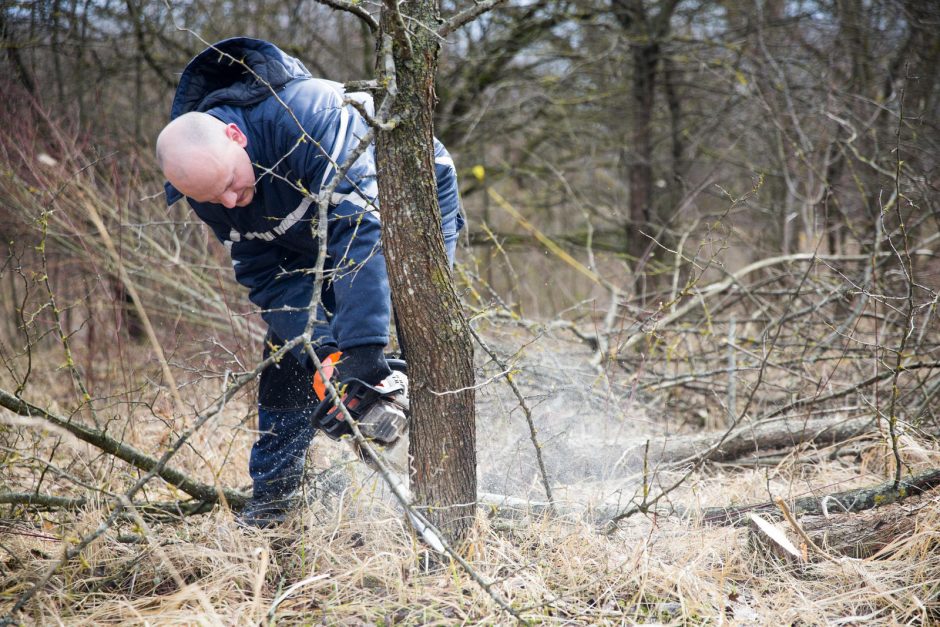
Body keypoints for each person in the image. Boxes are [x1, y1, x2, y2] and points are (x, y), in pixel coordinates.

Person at [156, 38, 464, 527]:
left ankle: (444, 489)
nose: (232, 202)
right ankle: (276, 499)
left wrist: (362, 351)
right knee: (290, 350)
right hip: (310, 232)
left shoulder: (308, 115)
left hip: (404, 195)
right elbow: (266, 273)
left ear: (235, 136)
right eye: (216, 198)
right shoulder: (206, 185)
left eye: (233, 185)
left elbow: (363, 230)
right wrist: (325, 352)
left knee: (414, 322)